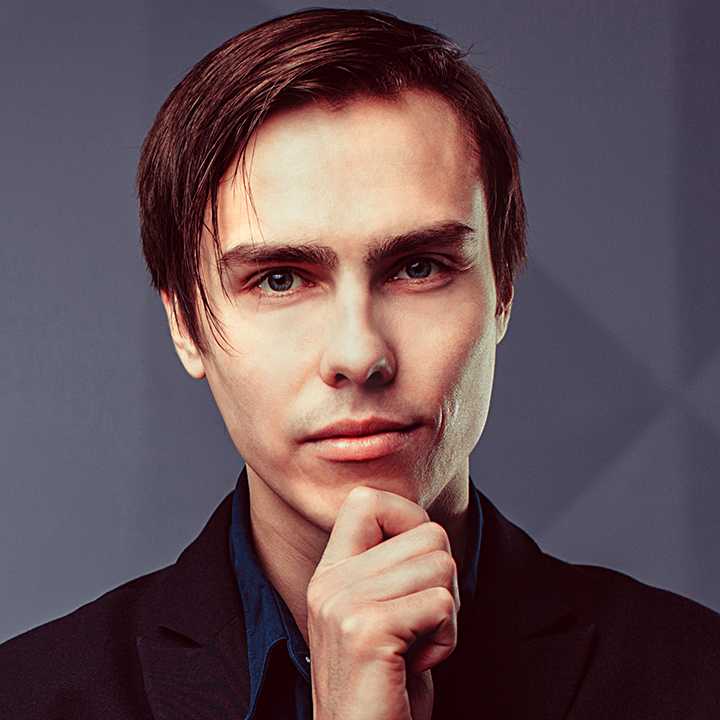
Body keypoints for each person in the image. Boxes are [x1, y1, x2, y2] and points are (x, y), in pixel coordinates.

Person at [1, 7, 718, 719]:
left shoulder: (695, 678)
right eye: (280, 279)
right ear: (185, 324)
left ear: (502, 291)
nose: (359, 354)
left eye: (418, 267)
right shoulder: (31, 699)